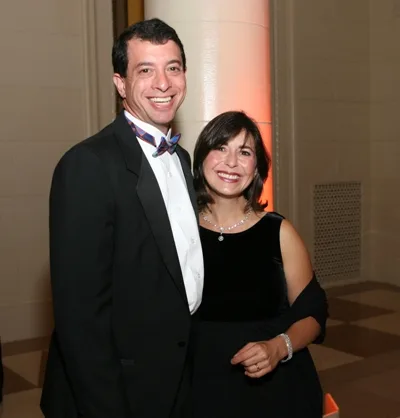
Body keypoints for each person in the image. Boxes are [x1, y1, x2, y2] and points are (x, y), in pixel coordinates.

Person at [40, 18, 204, 418]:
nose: (163, 83)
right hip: (120, 389)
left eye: (173, 67)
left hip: (177, 377)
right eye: (145, 70)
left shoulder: (182, 159)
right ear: (121, 84)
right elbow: (80, 319)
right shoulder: (87, 165)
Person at [191, 111, 328, 418]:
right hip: (199, 387)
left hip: (274, 391)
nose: (231, 162)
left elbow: (314, 312)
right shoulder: (180, 231)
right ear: (201, 159)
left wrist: (278, 347)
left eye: (244, 152)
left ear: (256, 168)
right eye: (221, 148)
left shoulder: (279, 232)